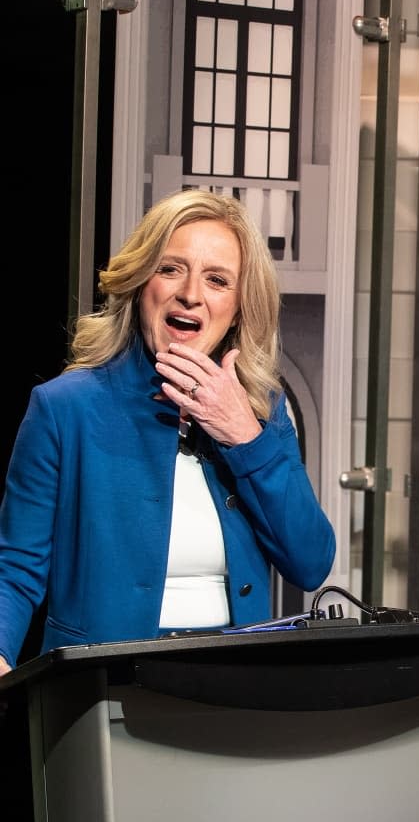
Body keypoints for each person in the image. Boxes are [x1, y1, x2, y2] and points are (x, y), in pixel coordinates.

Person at [0, 189, 336, 677]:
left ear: (240, 307)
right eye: (171, 268)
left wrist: (244, 435)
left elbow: (310, 562)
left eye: (217, 279)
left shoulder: (263, 412)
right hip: (103, 684)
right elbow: (14, 567)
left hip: (237, 684)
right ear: (140, 285)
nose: (191, 294)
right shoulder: (64, 408)